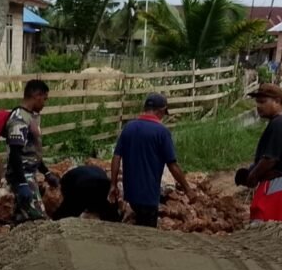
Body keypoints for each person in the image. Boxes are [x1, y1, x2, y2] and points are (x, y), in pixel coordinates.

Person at [109, 93, 193, 228]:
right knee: (147, 235)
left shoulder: (129, 128)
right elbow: (172, 165)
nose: (163, 117)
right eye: (164, 113)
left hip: (131, 194)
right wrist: (188, 189)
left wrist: (113, 185)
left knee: (138, 226)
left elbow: (116, 157)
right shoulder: (162, 132)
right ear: (160, 111)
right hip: (148, 196)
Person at [244, 83, 282, 226]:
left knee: (264, 225)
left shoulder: (279, 124)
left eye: (263, 102)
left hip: (277, 184)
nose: (259, 106)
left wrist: (253, 176)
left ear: (277, 101)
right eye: (257, 102)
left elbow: (270, 159)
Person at [6, 80, 58, 224]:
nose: (44, 103)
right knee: (39, 219)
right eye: (44, 99)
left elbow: (31, 151)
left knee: (21, 218)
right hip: (22, 175)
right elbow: (15, 153)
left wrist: (46, 172)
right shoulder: (19, 118)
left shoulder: (31, 117)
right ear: (36, 95)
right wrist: (22, 183)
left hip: (30, 173)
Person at [54, 165, 122, 222]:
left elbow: (68, 201)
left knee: (66, 215)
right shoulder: (97, 171)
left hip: (84, 185)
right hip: (101, 184)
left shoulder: (66, 181)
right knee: (109, 213)